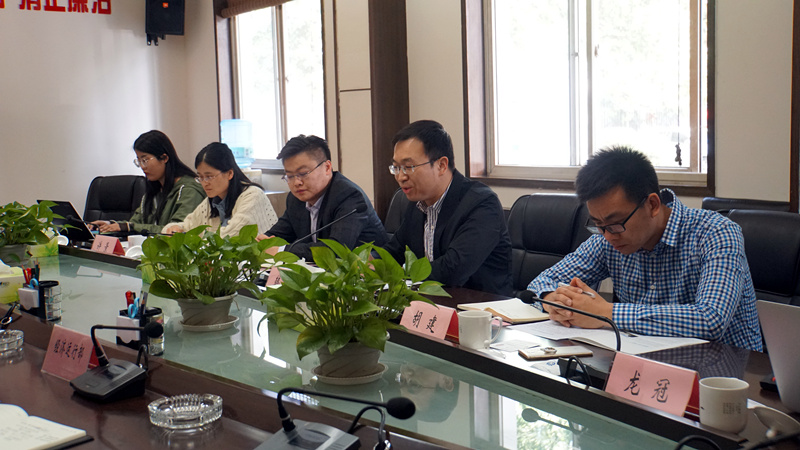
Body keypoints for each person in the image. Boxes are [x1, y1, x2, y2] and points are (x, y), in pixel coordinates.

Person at [528, 146, 762, 351]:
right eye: (598, 224)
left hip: (730, 374)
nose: (608, 235)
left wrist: (604, 313)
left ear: (652, 205)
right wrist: (553, 300)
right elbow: (543, 282)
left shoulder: (717, 233)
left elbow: (710, 319)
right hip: (648, 365)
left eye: (615, 223)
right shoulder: (607, 239)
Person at [383, 120, 512, 296]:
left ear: (441, 165)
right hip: (432, 304)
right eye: (396, 168)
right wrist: (369, 263)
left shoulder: (482, 204)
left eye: (409, 167)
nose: (400, 177)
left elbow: (453, 270)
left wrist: (401, 274)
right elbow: (395, 251)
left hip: (480, 307)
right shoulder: (417, 203)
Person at [259, 135, 387, 260]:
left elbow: (335, 250)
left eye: (303, 173)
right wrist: (261, 242)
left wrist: (281, 251)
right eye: (290, 176)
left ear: (327, 167)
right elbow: (278, 235)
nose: (296, 182)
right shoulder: (295, 200)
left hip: (367, 271)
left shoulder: (350, 197)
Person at [89, 130, 205, 234]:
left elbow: (175, 231)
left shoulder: (189, 190)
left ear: (164, 158)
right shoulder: (154, 189)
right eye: (139, 161)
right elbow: (136, 222)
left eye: (145, 160)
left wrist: (129, 227)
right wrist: (110, 224)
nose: (142, 166)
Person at [163, 142, 278, 238]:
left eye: (209, 177)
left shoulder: (252, 195)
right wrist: (174, 229)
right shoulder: (212, 201)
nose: (204, 183)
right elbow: (187, 225)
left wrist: (189, 238)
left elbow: (230, 237)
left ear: (230, 173)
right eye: (200, 177)